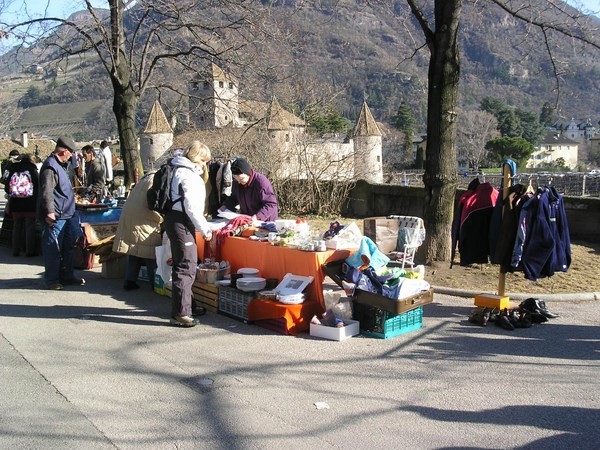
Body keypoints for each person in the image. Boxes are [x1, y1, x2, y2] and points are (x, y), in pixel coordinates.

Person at [164, 141, 213, 327]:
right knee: (186, 266)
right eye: (203, 160)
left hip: (173, 219)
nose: (204, 164)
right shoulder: (189, 175)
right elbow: (192, 208)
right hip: (182, 221)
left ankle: (188, 305)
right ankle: (181, 313)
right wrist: (205, 229)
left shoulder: (176, 168)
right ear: (194, 158)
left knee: (183, 263)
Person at [37, 137, 85, 290]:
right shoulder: (50, 167)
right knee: (53, 248)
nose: (71, 156)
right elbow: (46, 192)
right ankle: (52, 280)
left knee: (68, 247)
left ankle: (67, 276)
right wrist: (50, 212)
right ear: (63, 151)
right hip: (56, 215)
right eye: (70, 153)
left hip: (67, 213)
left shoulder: (63, 165)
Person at [112, 171, 162, 291]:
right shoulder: (157, 180)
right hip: (144, 218)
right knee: (150, 251)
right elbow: (154, 203)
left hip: (131, 216)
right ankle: (155, 283)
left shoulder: (145, 179)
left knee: (134, 249)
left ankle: (130, 281)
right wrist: (161, 218)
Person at [4, 153, 39, 256]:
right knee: (30, 227)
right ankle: (29, 251)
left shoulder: (13, 168)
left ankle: (15, 251)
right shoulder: (32, 169)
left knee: (16, 227)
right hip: (30, 203)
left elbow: (7, 188)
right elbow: (37, 186)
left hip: (16, 203)